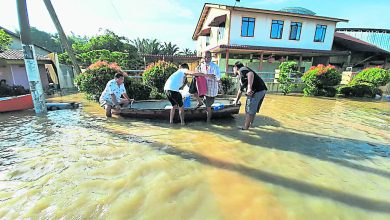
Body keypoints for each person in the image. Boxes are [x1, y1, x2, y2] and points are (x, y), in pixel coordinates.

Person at [233, 61, 267, 130]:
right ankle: (250, 125)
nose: (233, 70)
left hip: (256, 91)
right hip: (262, 90)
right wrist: (236, 101)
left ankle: (245, 127)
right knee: (253, 109)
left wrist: (249, 88)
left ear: (236, 67)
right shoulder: (241, 76)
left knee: (249, 109)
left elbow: (250, 74)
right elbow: (240, 90)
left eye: (233, 68)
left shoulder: (242, 69)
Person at [198, 51, 221, 123]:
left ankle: (208, 121)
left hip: (211, 89)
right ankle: (204, 109)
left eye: (208, 57)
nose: (206, 59)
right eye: (205, 57)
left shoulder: (215, 66)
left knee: (208, 106)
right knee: (206, 103)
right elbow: (199, 74)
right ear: (203, 58)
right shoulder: (201, 66)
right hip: (204, 88)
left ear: (211, 58)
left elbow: (218, 78)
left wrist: (221, 88)